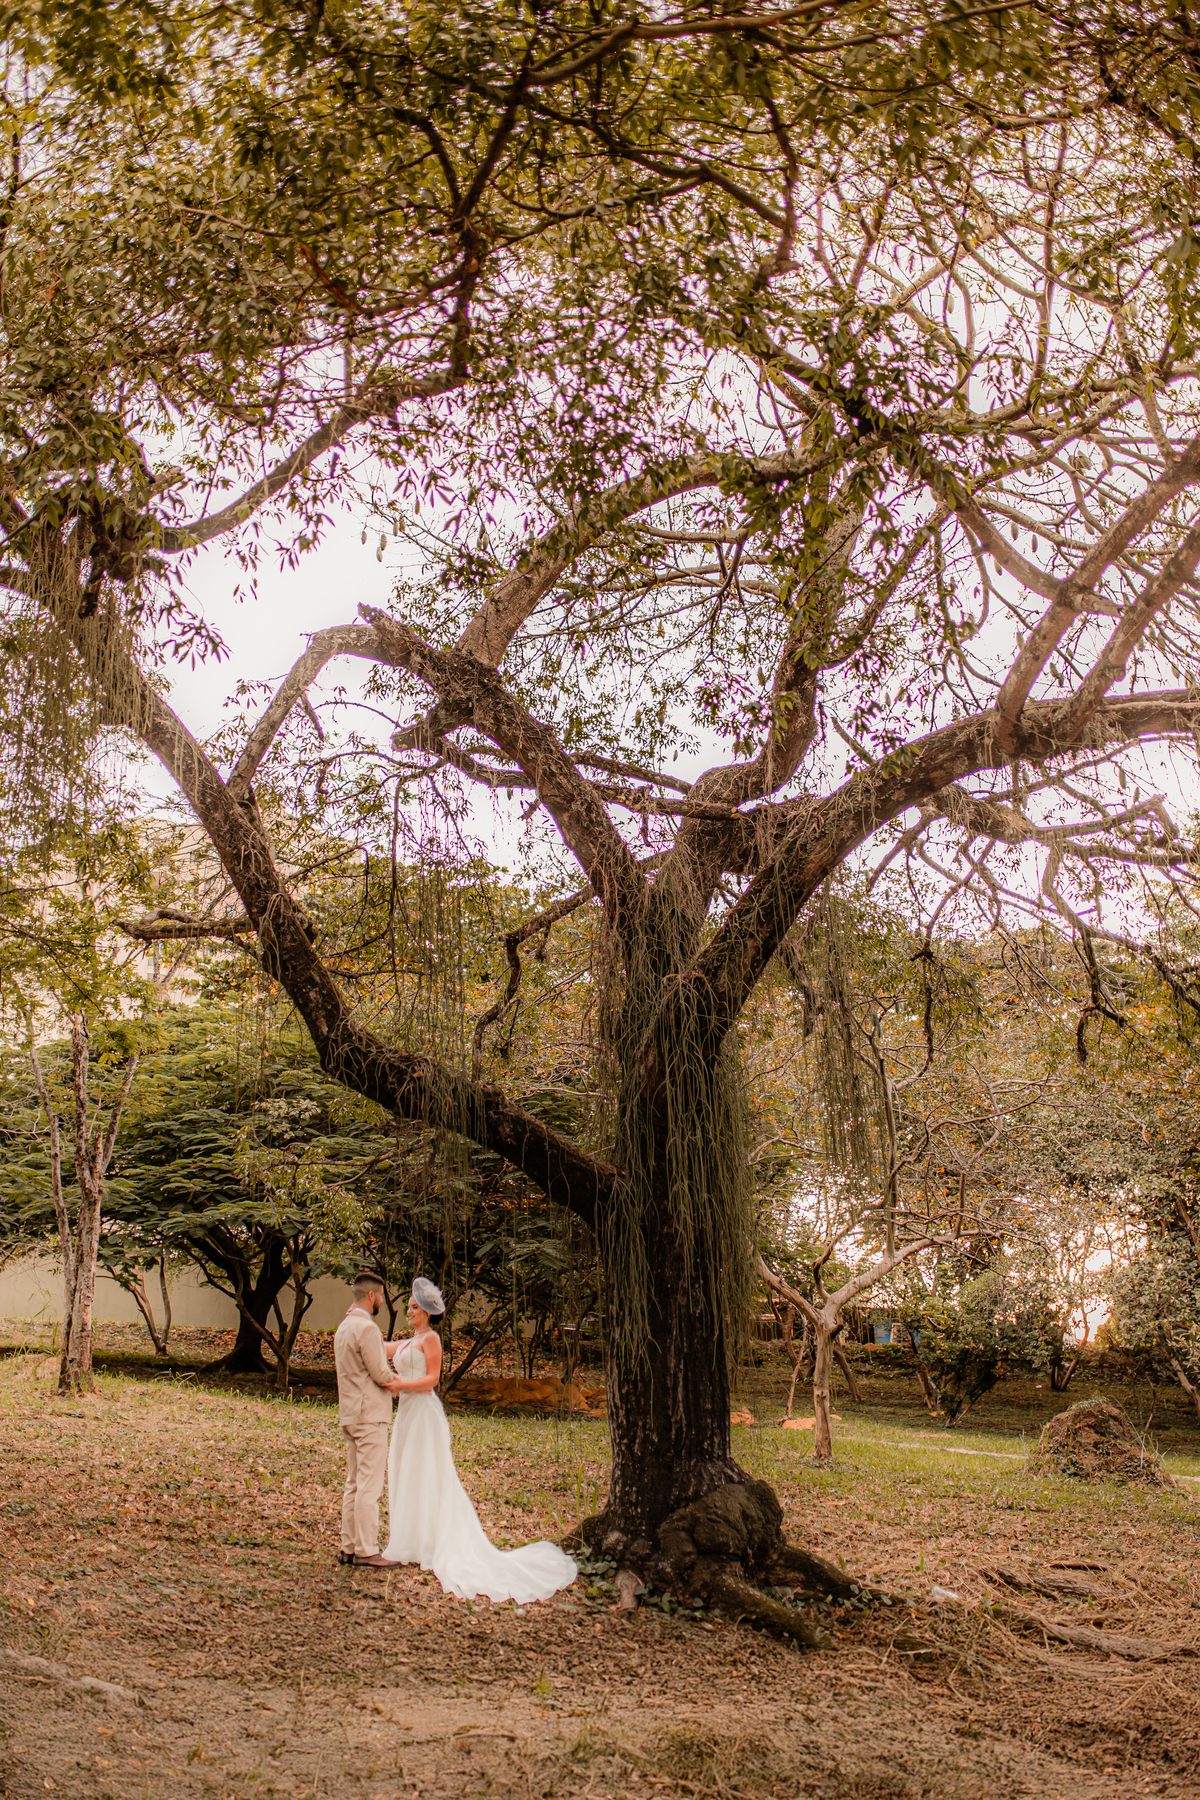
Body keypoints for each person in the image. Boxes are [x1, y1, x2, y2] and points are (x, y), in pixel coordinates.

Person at [382, 1275, 577, 1604]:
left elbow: (431, 1379)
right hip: (405, 1415)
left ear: (428, 1313)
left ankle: (432, 1541)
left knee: (428, 1472)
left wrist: (401, 1385)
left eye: (415, 1307)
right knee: (407, 1471)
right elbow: (378, 1347)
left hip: (423, 1411)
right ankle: (409, 1539)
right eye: (410, 1307)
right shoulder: (405, 1342)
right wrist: (356, 1323)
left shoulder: (430, 1340)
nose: (410, 1311)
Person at [333, 1271, 404, 1568]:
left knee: (353, 1483)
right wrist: (407, 1387)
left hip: (350, 1413)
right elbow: (381, 1374)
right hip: (369, 1416)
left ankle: (348, 1547)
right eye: (380, 1298)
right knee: (369, 1486)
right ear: (372, 1296)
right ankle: (366, 1549)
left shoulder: (344, 1327)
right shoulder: (367, 1329)